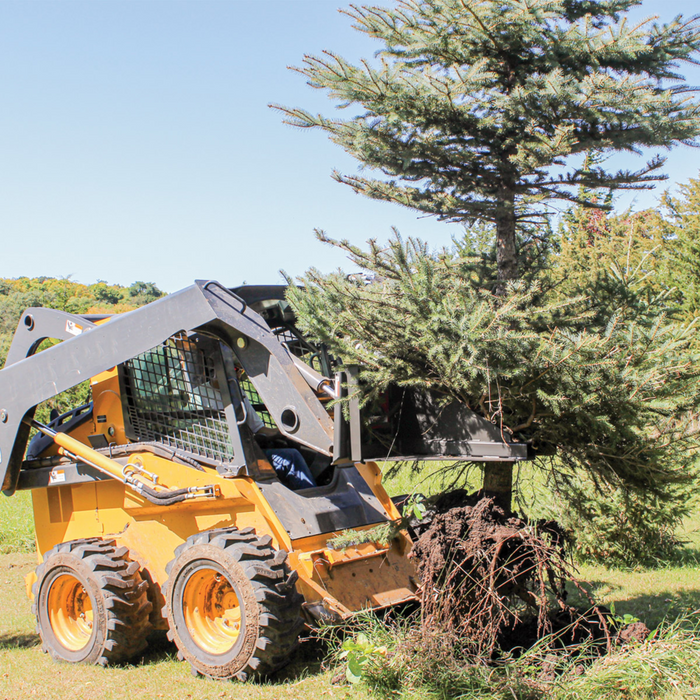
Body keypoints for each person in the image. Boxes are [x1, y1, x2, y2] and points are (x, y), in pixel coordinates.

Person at [241, 393, 317, 490]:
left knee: (291, 445)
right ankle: (310, 498)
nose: (239, 377)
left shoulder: (237, 393)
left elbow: (259, 429)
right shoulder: (222, 397)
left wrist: (283, 432)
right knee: (291, 458)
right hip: (242, 458)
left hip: (249, 451)